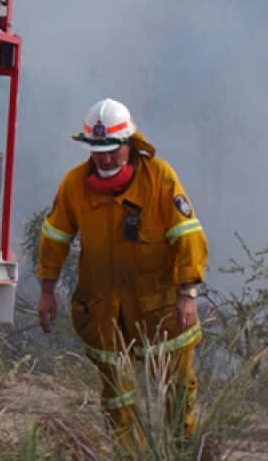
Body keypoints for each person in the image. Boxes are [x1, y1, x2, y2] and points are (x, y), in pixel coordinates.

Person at [36, 98, 208, 446]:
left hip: (159, 310)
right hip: (104, 310)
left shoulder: (159, 178)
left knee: (177, 384)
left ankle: (181, 449)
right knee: (117, 393)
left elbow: (188, 236)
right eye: (98, 150)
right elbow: (55, 237)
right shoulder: (74, 185)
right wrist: (46, 290)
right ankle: (128, 454)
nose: (106, 158)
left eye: (113, 149)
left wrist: (187, 294)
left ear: (130, 143)